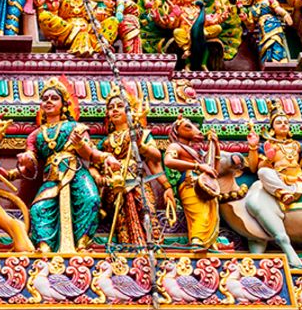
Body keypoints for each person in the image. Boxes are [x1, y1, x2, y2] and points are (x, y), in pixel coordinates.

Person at [18, 77, 116, 252]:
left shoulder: (76, 127)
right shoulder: (35, 135)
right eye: (45, 98)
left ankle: (82, 244)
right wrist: (24, 161)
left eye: (54, 98)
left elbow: (91, 154)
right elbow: (31, 164)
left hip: (76, 172)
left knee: (90, 199)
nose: (48, 101)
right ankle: (44, 247)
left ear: (64, 104)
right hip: (52, 176)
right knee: (39, 208)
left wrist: (102, 156)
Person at [163, 116, 241, 253]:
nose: (196, 131)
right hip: (189, 184)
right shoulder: (175, 146)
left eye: (194, 127)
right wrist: (198, 167)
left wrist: (215, 147)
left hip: (205, 185)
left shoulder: (197, 152)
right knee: (201, 213)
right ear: (177, 131)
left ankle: (209, 243)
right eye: (188, 127)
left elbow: (214, 171)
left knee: (211, 213)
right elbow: (168, 161)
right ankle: (197, 242)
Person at [101, 87, 166, 243]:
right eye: (110, 108)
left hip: (136, 181)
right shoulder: (106, 142)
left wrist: (141, 146)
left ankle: (151, 244)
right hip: (115, 183)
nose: (114, 110)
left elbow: (156, 157)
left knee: (145, 210)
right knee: (122, 218)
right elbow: (95, 162)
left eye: (119, 106)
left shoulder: (140, 134)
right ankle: (128, 248)